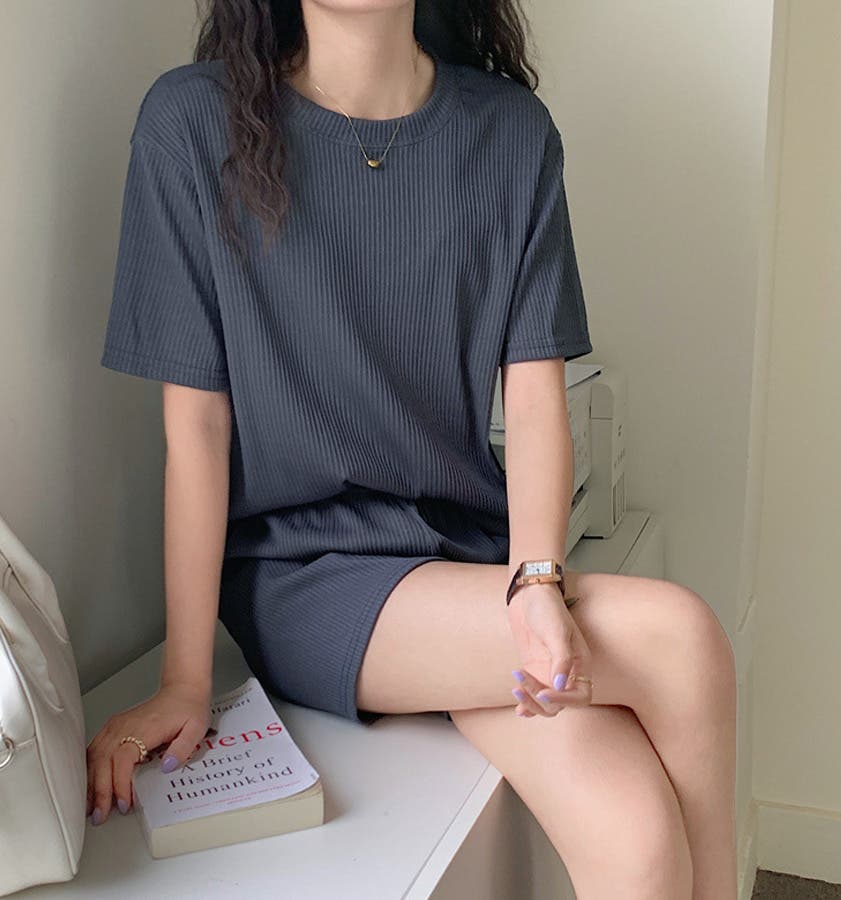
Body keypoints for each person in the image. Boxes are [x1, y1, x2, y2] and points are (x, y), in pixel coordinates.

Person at [85, 1, 738, 896]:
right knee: (681, 638)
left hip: (468, 567)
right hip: (307, 574)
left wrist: (535, 579)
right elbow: (196, 429)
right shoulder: (192, 124)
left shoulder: (511, 134)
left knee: (639, 842)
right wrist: (184, 680)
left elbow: (535, 399)